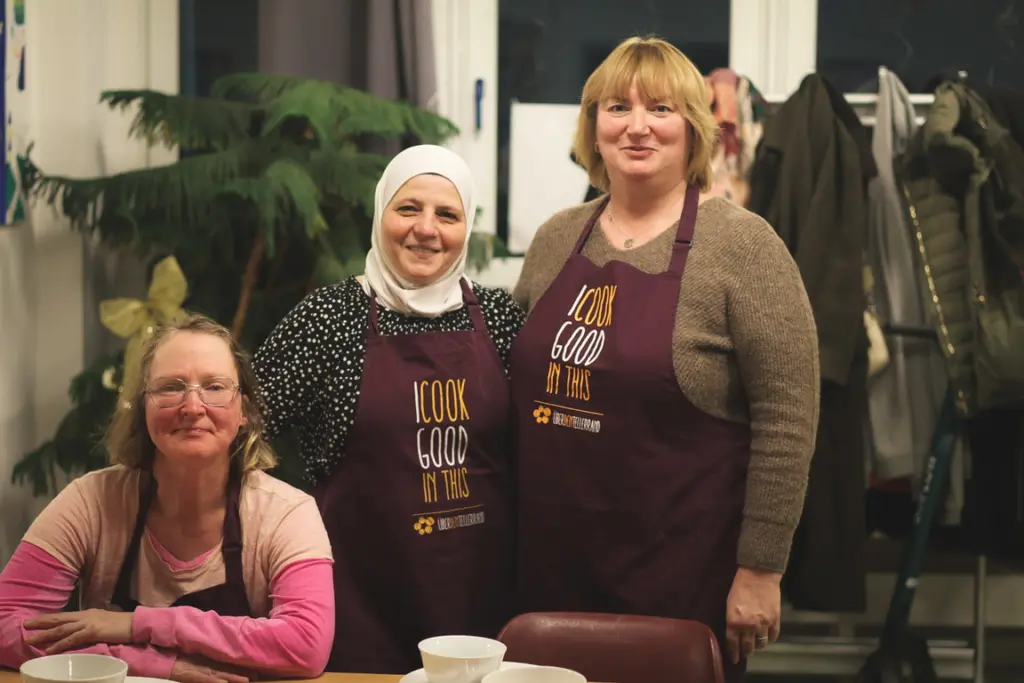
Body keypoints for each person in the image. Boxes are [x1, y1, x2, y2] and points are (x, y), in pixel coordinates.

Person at [509, 36, 820, 682]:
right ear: (594, 128)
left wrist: (762, 569)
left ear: (695, 129)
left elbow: (788, 419)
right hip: (547, 574)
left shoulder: (744, 245)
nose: (638, 125)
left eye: (662, 109)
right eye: (618, 107)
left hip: (682, 580)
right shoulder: (556, 238)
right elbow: (505, 383)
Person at [253, 144, 525, 675]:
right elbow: (241, 432)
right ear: (381, 215)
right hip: (357, 605)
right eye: (408, 208)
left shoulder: (498, 318)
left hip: (483, 607)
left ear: (465, 228)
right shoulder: (329, 318)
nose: (426, 228)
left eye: (447, 214)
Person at [0, 314, 335, 683]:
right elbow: (6, 624)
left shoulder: (288, 514)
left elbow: (306, 645)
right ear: (143, 408)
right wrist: (156, 666)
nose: (192, 407)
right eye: (171, 387)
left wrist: (134, 624)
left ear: (245, 412)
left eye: (215, 386)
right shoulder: (91, 502)